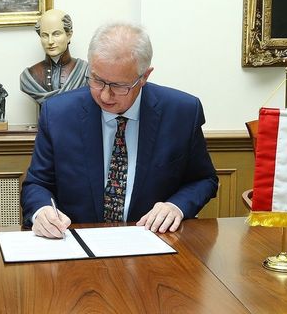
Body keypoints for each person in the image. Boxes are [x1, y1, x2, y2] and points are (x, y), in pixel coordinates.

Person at [21, 23, 218, 238]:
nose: (105, 95)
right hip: (76, 241)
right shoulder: (58, 114)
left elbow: (203, 180)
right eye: (97, 80)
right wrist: (42, 211)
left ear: (144, 76)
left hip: (154, 240)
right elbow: (37, 184)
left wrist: (176, 206)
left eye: (119, 86)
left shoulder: (182, 113)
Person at [19, 9, 89, 105]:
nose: (50, 41)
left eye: (56, 34)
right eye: (45, 35)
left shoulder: (85, 71)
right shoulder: (30, 76)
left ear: (69, 35)